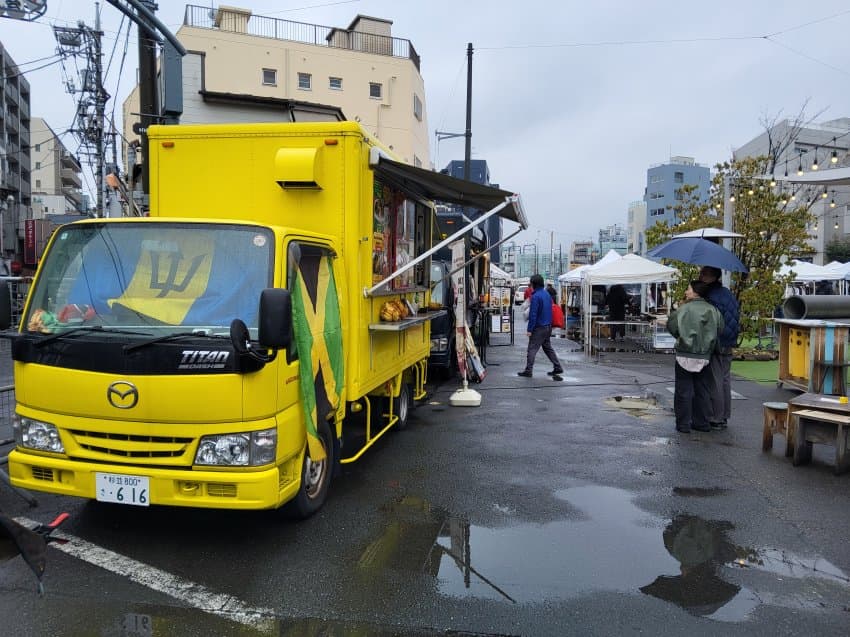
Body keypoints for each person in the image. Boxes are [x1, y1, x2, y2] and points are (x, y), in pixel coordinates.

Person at [666, 280, 723, 433]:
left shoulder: (683, 309)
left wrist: (681, 336)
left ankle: (683, 424)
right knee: (702, 389)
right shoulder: (713, 310)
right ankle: (701, 422)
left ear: (696, 291)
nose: (686, 291)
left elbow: (672, 325)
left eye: (689, 289)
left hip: (684, 352)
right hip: (704, 354)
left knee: (683, 390)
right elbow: (720, 328)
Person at [698, 266, 740, 430]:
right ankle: (724, 415)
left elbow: (709, 321)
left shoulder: (711, 296)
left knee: (714, 380)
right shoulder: (727, 293)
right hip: (729, 341)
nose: (700, 276)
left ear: (711, 276)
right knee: (724, 379)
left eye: (703, 274)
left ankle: (715, 417)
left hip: (717, 342)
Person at [518, 273, 563, 379]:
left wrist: (530, 329)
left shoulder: (535, 296)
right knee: (547, 348)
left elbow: (533, 314)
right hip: (548, 326)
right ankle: (557, 366)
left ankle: (528, 370)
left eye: (531, 284)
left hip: (539, 327)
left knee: (532, 349)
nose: (530, 286)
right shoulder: (547, 294)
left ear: (534, 284)